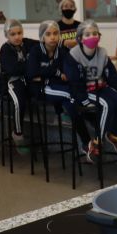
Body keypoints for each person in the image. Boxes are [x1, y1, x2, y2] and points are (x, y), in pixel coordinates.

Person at [64, 20, 117, 160]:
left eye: (94, 33)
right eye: (87, 34)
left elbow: (112, 73)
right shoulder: (74, 54)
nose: (92, 37)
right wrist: (83, 99)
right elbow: (74, 80)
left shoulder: (102, 52)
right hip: (86, 90)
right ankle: (97, 142)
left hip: (101, 87)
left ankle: (114, 134)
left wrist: (114, 88)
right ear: (80, 38)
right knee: (107, 105)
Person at [26, 20, 92, 155]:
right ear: (42, 37)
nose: (52, 37)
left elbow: (68, 73)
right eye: (48, 34)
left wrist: (45, 74)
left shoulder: (62, 52)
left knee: (71, 103)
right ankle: (89, 137)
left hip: (58, 88)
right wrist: (56, 72)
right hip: (41, 89)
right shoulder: (35, 51)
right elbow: (31, 74)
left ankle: (87, 144)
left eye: (56, 33)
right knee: (73, 96)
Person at [0, 19, 39, 147]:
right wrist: (31, 63)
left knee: (41, 92)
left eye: (19, 33)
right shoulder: (5, 49)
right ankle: (17, 132)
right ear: (7, 35)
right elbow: (13, 70)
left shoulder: (26, 42)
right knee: (18, 102)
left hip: (27, 79)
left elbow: (43, 44)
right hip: (12, 81)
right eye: (13, 34)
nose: (17, 37)